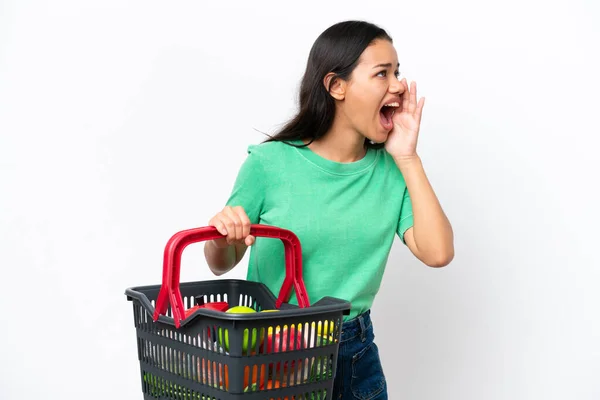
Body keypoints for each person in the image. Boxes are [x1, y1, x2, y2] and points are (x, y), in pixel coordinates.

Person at [203, 20, 454, 399]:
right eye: (382, 73)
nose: (399, 85)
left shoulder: (392, 171)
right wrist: (224, 236)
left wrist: (408, 157)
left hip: (355, 352)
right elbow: (221, 261)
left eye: (397, 72)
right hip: (274, 353)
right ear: (337, 86)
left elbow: (438, 253)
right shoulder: (270, 164)